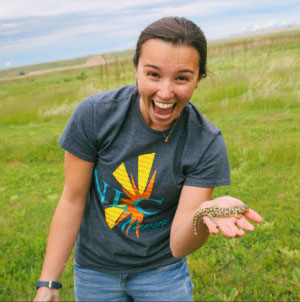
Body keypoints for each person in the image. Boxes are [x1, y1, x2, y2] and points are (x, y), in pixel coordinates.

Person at [34, 16, 263, 302]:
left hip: (162, 273)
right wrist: (49, 282)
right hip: (95, 272)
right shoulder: (95, 115)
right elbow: (72, 198)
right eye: (153, 74)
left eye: (181, 78)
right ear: (136, 70)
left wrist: (205, 213)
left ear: (199, 79)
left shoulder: (206, 142)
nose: (165, 93)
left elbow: (180, 245)